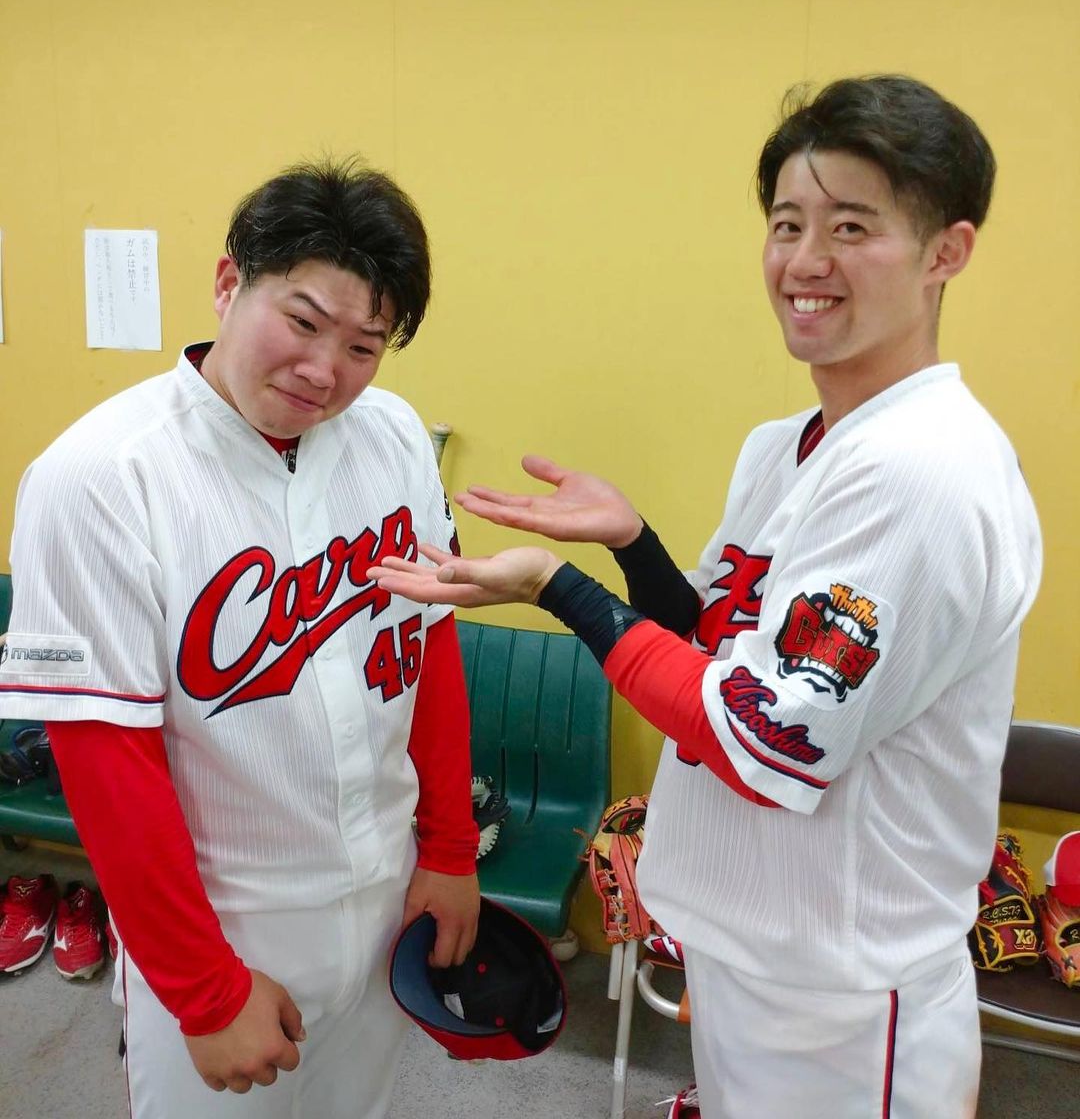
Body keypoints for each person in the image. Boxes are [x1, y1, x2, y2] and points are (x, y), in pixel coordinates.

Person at [369, 76, 1043, 1119]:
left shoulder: (925, 471)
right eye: (787, 223)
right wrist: (633, 547)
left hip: (843, 987)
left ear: (945, 252)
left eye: (851, 226)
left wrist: (558, 588)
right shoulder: (787, 446)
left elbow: (761, 733)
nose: (804, 260)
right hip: (752, 946)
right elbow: (719, 644)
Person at [0, 159, 480, 1118]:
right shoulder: (98, 476)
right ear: (229, 283)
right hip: (229, 916)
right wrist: (203, 988)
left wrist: (451, 848)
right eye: (302, 322)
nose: (324, 370)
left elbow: (427, 648)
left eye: (364, 345)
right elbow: (105, 757)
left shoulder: (392, 435)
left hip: (388, 891)